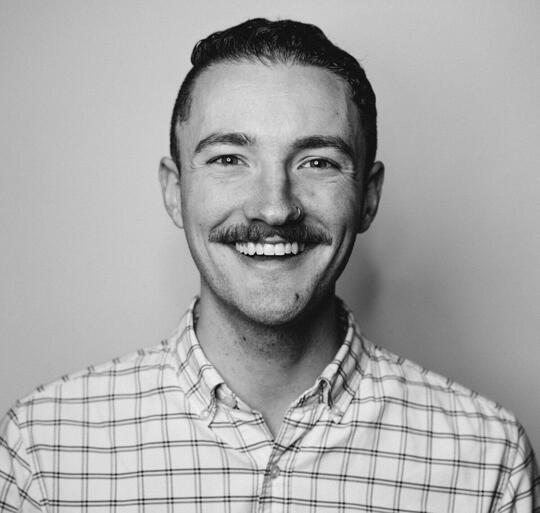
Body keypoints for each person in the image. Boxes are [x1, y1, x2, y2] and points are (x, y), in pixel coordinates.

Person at [0, 17, 538, 513]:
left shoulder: (488, 461)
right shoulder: (44, 449)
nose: (275, 208)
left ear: (369, 198)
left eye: (317, 162)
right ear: (174, 192)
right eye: (229, 159)